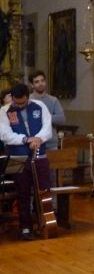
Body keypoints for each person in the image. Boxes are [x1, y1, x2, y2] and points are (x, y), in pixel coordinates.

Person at [0, 83, 52, 241]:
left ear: (28, 98)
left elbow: (47, 127)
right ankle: (25, 228)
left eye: (23, 103)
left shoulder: (39, 105)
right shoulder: (5, 111)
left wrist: (39, 138)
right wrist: (25, 139)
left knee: (43, 192)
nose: (20, 105)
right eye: (17, 103)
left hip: (39, 156)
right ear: (12, 99)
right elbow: (5, 134)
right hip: (19, 157)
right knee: (22, 194)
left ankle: (43, 224)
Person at [28, 70, 65, 150]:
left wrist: (45, 116)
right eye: (37, 82)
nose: (40, 83)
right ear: (32, 85)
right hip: (33, 142)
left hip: (51, 143)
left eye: (42, 81)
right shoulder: (28, 100)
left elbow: (61, 118)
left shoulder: (53, 100)